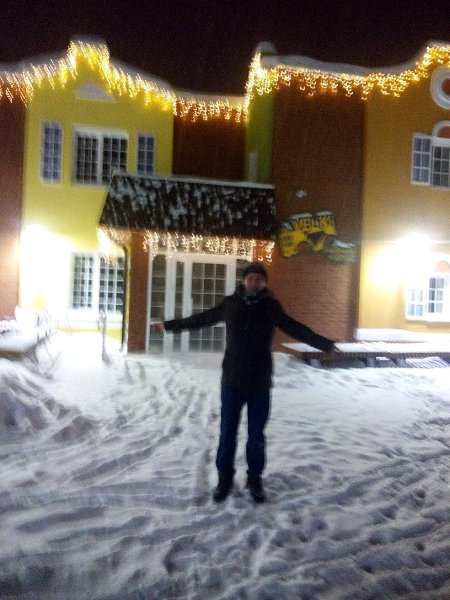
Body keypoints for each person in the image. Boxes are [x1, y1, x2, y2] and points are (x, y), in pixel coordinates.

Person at [153, 261, 335, 503]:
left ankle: (254, 478)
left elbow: (295, 328)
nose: (254, 282)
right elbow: (201, 319)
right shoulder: (231, 304)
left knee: (256, 434)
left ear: (264, 282)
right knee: (227, 431)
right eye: (250, 278)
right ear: (244, 280)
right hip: (232, 380)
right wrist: (168, 326)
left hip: (259, 382)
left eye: (259, 279)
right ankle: (224, 478)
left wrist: (325, 344)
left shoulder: (271, 307)